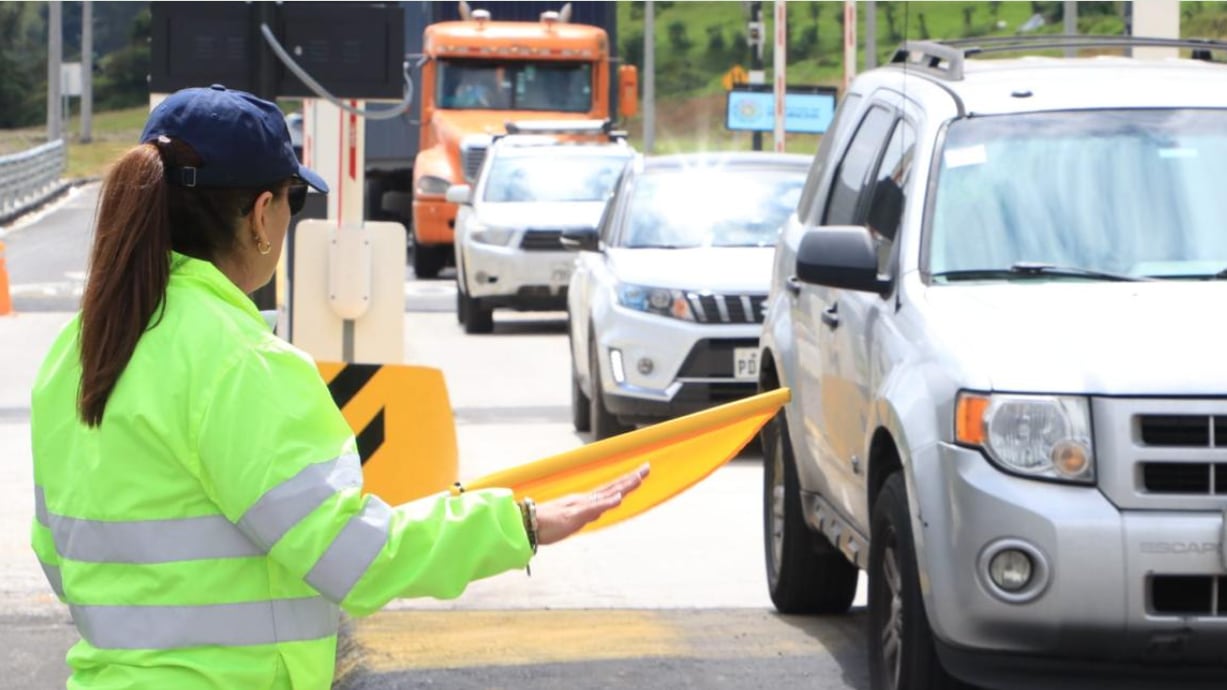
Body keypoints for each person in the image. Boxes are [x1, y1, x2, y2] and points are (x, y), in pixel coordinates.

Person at [28, 84, 648, 690]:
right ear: (261, 215)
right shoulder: (243, 364)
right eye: (293, 199)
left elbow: (60, 557)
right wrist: (519, 526)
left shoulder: (79, 349)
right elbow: (354, 556)